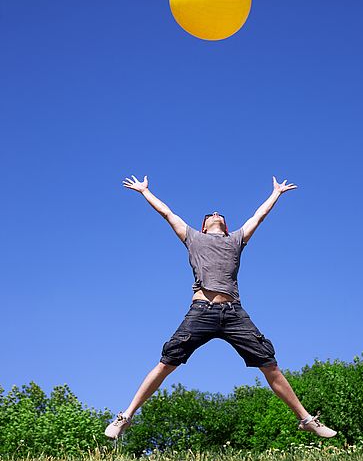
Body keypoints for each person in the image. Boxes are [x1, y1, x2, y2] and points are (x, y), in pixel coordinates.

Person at [105, 175, 336, 439]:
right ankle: (125, 417)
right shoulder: (193, 238)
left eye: (220, 214)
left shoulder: (236, 240)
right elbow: (167, 213)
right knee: (166, 362)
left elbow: (258, 217)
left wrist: (276, 193)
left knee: (269, 364)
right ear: (203, 227)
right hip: (201, 311)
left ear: (226, 227)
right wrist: (145, 191)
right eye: (210, 214)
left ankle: (307, 420)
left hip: (233, 313)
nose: (215, 213)